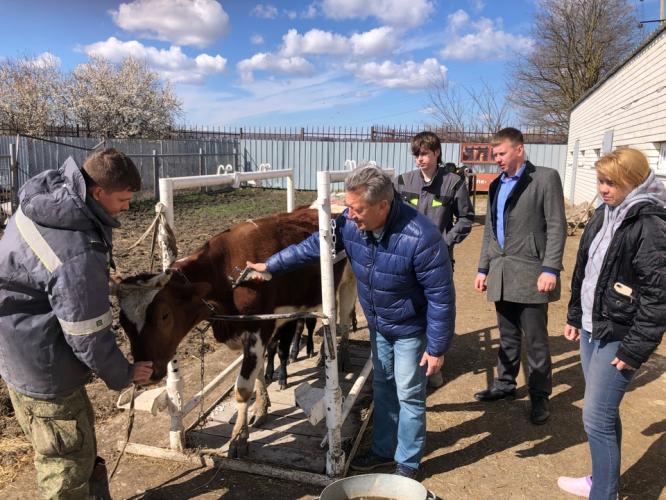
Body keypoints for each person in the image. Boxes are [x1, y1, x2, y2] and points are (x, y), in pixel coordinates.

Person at [247, 165, 455, 479]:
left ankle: (408, 464)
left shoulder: (421, 237)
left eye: (357, 209)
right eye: (348, 206)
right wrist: (271, 265)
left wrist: (437, 347)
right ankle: (384, 451)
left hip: (411, 327)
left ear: (383, 206)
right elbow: (314, 245)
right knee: (384, 386)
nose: (350, 214)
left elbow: (441, 296)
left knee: (409, 392)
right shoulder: (350, 224)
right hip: (379, 323)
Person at [0, 149, 154, 499]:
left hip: (17, 341)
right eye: (123, 199)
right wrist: (124, 374)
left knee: (77, 442)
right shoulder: (77, 252)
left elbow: (40, 274)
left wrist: (97, 283)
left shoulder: (43, 201)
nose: (127, 207)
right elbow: (88, 336)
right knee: (65, 462)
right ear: (97, 193)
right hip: (45, 367)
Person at [557, 148, 666, 499]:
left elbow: (658, 295)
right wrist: (577, 314)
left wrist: (635, 349)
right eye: (600, 181)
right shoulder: (607, 212)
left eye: (610, 182)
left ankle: (603, 494)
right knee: (603, 412)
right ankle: (602, 482)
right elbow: (586, 267)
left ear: (632, 180)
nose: (603, 189)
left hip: (620, 334)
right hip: (594, 325)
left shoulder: (650, 223)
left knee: (595, 417)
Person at [473, 127, 566, 425]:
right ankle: (505, 383)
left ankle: (540, 396)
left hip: (532, 273)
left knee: (536, 341)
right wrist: (483, 267)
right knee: (508, 335)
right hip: (501, 272)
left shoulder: (545, 178)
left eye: (501, 153)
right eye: (494, 155)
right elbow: (490, 229)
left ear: (519, 150)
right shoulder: (497, 184)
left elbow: (556, 226)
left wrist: (550, 268)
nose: (496, 159)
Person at [395, 131, 474, 388]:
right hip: (407, 261)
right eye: (416, 154)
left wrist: (445, 241)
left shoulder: (453, 183)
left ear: (436, 153)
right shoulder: (403, 183)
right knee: (409, 308)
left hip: (438, 261)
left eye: (425, 153)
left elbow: (465, 218)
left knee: (435, 310)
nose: (420, 159)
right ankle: (412, 363)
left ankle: (435, 364)